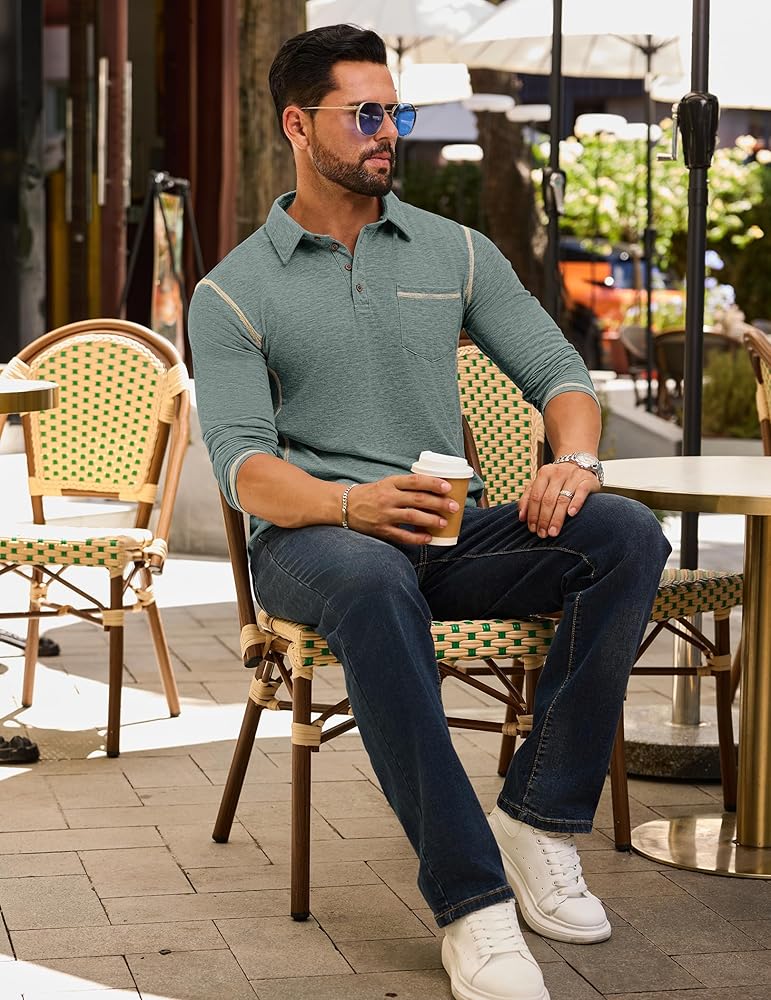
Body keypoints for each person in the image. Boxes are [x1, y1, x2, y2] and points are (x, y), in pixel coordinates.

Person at [188, 24, 671, 1000]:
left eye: (395, 113)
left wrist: (575, 460)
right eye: (365, 113)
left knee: (624, 533)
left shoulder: (453, 250)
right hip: (315, 542)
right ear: (296, 124)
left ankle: (536, 819)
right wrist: (349, 503)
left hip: (447, 533)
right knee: (370, 580)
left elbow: (559, 373)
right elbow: (244, 470)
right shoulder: (233, 290)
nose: (387, 132)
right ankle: (472, 902)